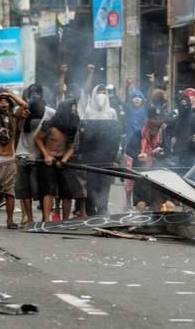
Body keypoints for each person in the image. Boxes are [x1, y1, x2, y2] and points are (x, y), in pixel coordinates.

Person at [0, 73, 27, 229]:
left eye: (6, 101)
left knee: (10, 192)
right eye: (0, 101)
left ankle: (10, 220)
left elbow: (24, 106)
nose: (3, 103)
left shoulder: (14, 118)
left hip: (10, 160)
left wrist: (10, 94)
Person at [78, 65, 120, 216]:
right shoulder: (88, 110)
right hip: (90, 157)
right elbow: (83, 134)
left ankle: (103, 210)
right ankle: (90, 212)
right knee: (90, 186)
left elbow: (116, 136)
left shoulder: (112, 112)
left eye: (104, 92)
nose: (102, 94)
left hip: (107, 157)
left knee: (105, 186)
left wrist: (116, 158)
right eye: (99, 92)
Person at [15, 84, 55, 226]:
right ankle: (29, 218)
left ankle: (45, 218)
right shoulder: (22, 110)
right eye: (32, 92)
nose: (35, 95)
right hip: (22, 154)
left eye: (38, 92)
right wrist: (21, 115)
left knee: (43, 189)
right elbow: (16, 126)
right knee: (24, 190)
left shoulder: (50, 112)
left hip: (39, 156)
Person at [36, 99, 81, 221]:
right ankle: (47, 219)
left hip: (63, 161)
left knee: (67, 192)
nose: (74, 113)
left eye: (75, 111)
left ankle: (65, 221)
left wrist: (64, 159)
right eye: (71, 111)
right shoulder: (49, 125)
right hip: (49, 161)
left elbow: (71, 147)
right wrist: (46, 155)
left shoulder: (72, 128)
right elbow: (38, 139)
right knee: (49, 191)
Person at [122, 88, 147, 209]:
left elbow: (149, 100)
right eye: (134, 97)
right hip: (130, 148)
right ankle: (127, 202)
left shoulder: (145, 111)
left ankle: (142, 201)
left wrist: (152, 84)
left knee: (143, 174)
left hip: (143, 147)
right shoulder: (129, 110)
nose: (137, 99)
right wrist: (127, 87)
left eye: (139, 97)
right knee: (129, 176)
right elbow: (126, 101)